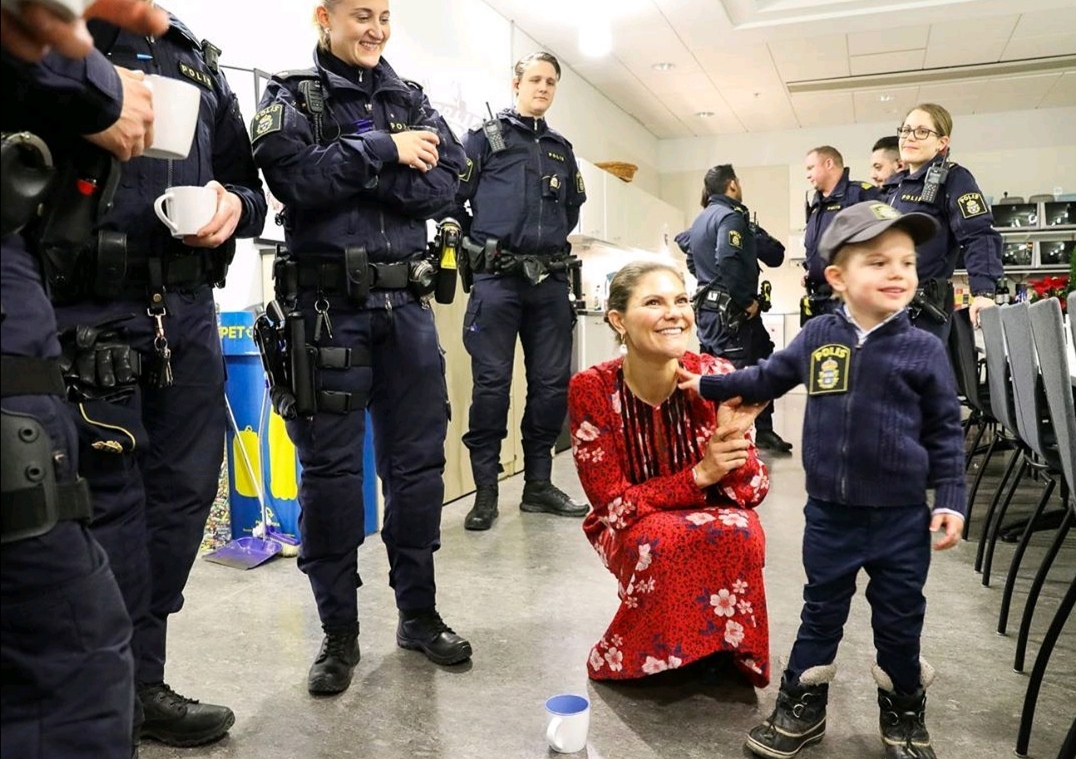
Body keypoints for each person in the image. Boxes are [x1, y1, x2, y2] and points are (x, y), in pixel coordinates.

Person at [47, 2, 268, 747]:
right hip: (86, 306)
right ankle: (102, 695)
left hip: (186, 309)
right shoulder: (58, 38)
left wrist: (233, 205)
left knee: (183, 497)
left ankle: (142, 684)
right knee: (105, 503)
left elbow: (249, 185)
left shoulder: (196, 57)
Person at [678, 201, 967, 759]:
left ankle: (904, 709)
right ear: (837, 277)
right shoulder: (817, 336)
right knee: (821, 610)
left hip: (901, 520)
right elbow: (768, 377)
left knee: (900, 619)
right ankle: (803, 705)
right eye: (878, 262)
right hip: (831, 515)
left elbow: (945, 431)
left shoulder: (924, 349)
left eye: (906, 262)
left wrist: (951, 497)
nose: (897, 273)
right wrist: (708, 386)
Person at [251, 0, 472, 696]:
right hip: (325, 314)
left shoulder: (411, 98)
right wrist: (385, 150)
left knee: (418, 469)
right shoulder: (291, 94)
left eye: (384, 15)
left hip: (405, 308)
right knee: (331, 476)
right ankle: (339, 634)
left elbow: (448, 181)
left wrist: (358, 167)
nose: (375, 29)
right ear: (325, 17)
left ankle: (418, 615)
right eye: (360, 15)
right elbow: (294, 180)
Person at [2, 2, 167, 758]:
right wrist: (96, 86)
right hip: (64, 299)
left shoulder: (192, 54)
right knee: (66, 665)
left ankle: (149, 691)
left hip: (148, 300)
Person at [567, 260, 772, 686]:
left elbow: (752, 492)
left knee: (742, 530)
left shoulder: (716, 376)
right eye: (654, 302)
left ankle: (721, 644)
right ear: (618, 321)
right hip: (630, 522)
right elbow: (614, 508)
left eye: (680, 300)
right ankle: (651, 652)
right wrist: (698, 476)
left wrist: (732, 437)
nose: (674, 313)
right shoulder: (592, 388)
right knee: (662, 540)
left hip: (709, 507)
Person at [454, 51, 589, 531]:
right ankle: (486, 494)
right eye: (535, 79)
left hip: (548, 282)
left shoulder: (560, 149)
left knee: (551, 386)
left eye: (550, 82)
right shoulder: (485, 139)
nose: (543, 88)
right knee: (492, 386)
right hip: (497, 280)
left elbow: (571, 209)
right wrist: (475, 242)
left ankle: (538, 486)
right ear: (517, 84)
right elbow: (452, 199)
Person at [683, 164, 792, 453]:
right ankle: (732, 442)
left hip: (711, 313)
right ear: (732, 184)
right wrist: (744, 299)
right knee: (735, 374)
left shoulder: (700, 220)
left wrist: (710, 281)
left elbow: (691, 259)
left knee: (750, 361)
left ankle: (762, 430)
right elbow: (728, 258)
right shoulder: (730, 217)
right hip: (732, 313)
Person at [883, 103, 1003, 339]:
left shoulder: (954, 179)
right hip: (889, 309)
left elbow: (979, 235)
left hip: (924, 312)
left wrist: (984, 293)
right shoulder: (894, 187)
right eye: (906, 130)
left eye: (922, 131)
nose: (909, 137)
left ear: (942, 142)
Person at [801, 145, 880, 324]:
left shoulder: (861, 194)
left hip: (849, 298)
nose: (807, 175)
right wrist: (810, 269)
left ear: (828, 164)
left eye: (811, 168)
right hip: (819, 297)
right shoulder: (816, 203)